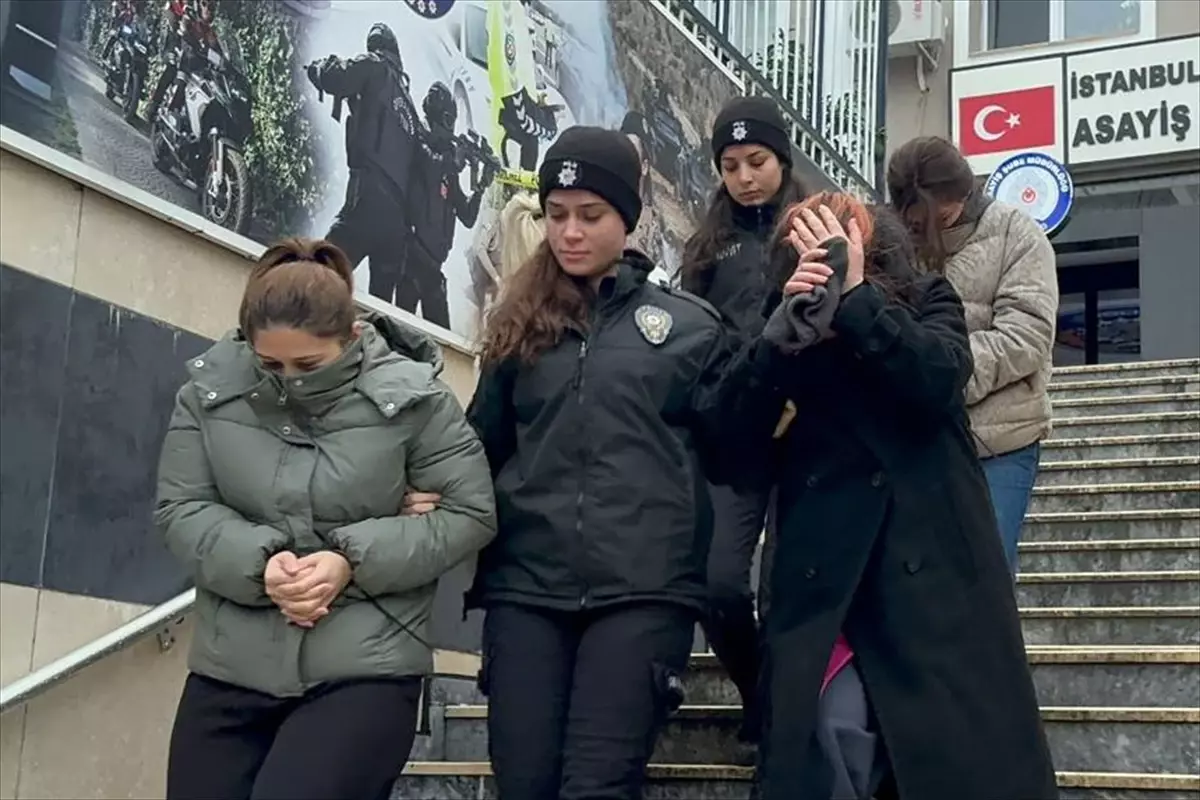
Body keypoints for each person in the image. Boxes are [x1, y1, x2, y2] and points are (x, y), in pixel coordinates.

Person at [439, 126, 768, 800]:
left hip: (645, 589)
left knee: (597, 787)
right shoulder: (517, 326)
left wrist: (773, 364)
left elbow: (735, 449)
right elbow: (481, 445)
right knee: (524, 785)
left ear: (628, 218)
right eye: (556, 214)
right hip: (527, 589)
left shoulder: (689, 328)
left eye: (590, 215)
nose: (570, 232)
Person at [155, 238, 497, 800]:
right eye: (270, 364)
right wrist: (262, 565)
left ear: (353, 336)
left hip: (366, 666)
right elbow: (181, 508)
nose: (289, 379)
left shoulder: (416, 401)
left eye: (309, 365)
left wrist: (350, 561)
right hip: (230, 665)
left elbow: (471, 512)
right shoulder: (207, 394)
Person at [746, 191, 1058, 799]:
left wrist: (858, 300)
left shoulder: (926, 300)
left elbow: (940, 377)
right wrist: (776, 340)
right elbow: (730, 439)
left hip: (931, 578)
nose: (826, 263)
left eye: (840, 247)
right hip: (825, 586)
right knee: (829, 740)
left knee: (950, 759)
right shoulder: (784, 324)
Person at [676, 95, 808, 740]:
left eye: (757, 161)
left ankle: (787, 718)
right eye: (730, 166)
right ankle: (758, 692)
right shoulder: (708, 246)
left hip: (812, 434)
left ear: (781, 158)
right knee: (718, 584)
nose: (745, 177)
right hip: (734, 436)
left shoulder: (817, 227)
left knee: (791, 588)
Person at [886, 136, 1059, 572]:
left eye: (941, 217)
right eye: (915, 221)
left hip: (1000, 440)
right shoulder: (891, 242)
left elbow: (1028, 334)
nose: (930, 229)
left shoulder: (1017, 233)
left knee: (987, 573)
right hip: (915, 437)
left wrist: (944, 371)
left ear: (964, 193)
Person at [308, 23, 422, 306]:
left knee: (316, 281)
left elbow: (338, 77)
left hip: (367, 197)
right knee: (380, 309)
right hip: (397, 223)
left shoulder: (374, 64)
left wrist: (318, 69)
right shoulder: (411, 110)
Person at [402, 81, 498, 328]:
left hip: (433, 267)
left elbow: (466, 216)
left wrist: (480, 187)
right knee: (397, 330)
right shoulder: (418, 140)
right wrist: (456, 160)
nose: (450, 126)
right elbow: (428, 165)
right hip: (410, 259)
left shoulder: (446, 164)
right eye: (447, 119)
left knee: (441, 339)